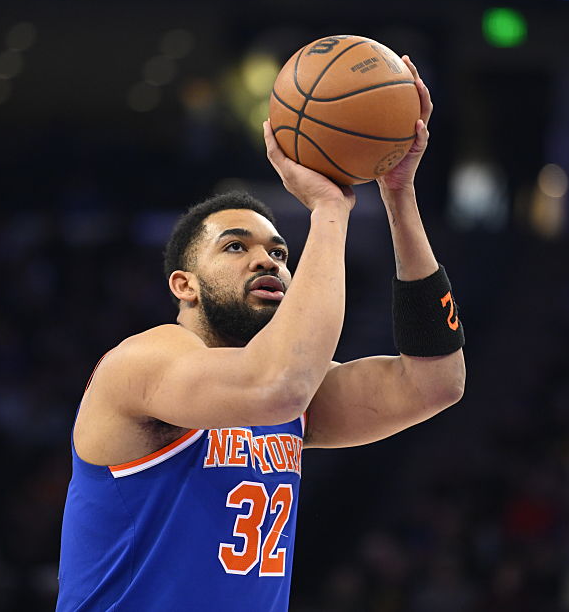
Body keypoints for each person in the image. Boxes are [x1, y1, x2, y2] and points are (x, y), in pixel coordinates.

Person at [56, 56, 466, 611]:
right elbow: (278, 383)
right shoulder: (144, 362)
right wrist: (328, 209)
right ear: (185, 284)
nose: (266, 261)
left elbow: (436, 381)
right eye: (235, 247)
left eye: (279, 252)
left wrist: (398, 194)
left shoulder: (289, 392)